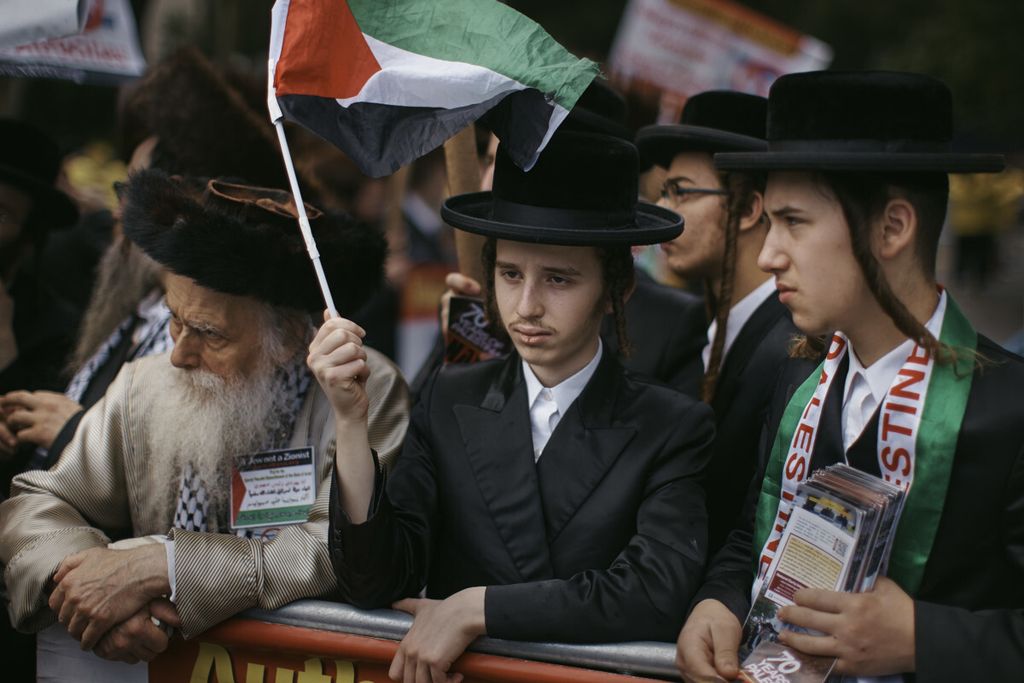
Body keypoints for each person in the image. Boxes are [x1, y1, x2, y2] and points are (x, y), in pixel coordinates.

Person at [317, 131, 715, 683]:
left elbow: (653, 591)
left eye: (558, 279)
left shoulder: (672, 426)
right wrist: (351, 421)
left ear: (616, 290)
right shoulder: (451, 396)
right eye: (509, 274)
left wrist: (475, 609)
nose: (526, 306)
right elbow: (377, 577)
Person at [676, 71, 1024, 682]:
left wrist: (924, 638)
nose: (767, 254)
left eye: (794, 221)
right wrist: (720, 601)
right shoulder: (798, 376)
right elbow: (752, 533)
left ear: (892, 227)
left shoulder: (1012, 409)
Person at [0, 170, 409, 681]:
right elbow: (37, 505)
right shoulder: (144, 384)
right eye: (174, 320)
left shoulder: (364, 389)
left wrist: (165, 566)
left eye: (209, 334)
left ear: (286, 339)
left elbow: (342, 552)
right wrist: (85, 584)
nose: (178, 354)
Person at [0, 46, 314, 472]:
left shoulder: (239, 328)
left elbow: (195, 467)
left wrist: (76, 434)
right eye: (175, 321)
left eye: (131, 195)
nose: (117, 213)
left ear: (179, 205)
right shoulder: (142, 307)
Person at [635, 91, 804, 553]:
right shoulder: (720, 329)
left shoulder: (791, 345)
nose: (666, 213)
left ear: (749, 209)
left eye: (683, 192)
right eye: (664, 192)